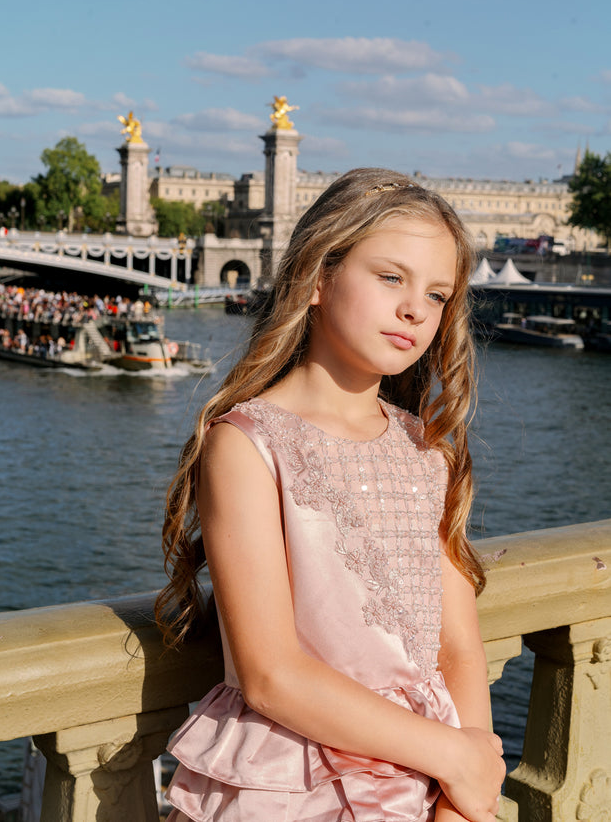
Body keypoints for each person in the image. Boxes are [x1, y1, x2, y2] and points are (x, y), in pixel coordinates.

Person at [156, 168, 505, 822]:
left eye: (437, 294)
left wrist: (465, 789)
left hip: (430, 782)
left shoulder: (431, 453)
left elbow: (458, 645)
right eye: (390, 277)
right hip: (294, 780)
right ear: (318, 276)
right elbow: (271, 675)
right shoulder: (247, 444)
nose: (415, 310)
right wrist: (456, 757)